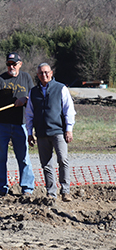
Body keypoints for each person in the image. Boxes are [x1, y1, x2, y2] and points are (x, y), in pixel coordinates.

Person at [0, 52, 35, 197]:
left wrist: (24, 99)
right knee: (0, 157)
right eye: (8, 64)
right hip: (2, 124)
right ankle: (1, 189)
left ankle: (27, 188)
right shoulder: (0, 79)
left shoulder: (26, 77)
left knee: (24, 157)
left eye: (14, 64)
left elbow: (33, 97)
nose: (11, 67)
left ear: (20, 64)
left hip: (20, 124)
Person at [26, 63, 76, 202]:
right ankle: (51, 193)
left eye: (46, 72)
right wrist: (30, 133)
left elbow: (69, 110)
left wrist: (69, 129)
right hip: (41, 133)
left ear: (51, 73)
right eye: (41, 73)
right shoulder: (33, 92)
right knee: (46, 164)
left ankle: (65, 191)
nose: (44, 75)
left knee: (63, 160)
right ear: (37, 75)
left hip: (58, 131)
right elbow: (29, 114)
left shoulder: (61, 88)